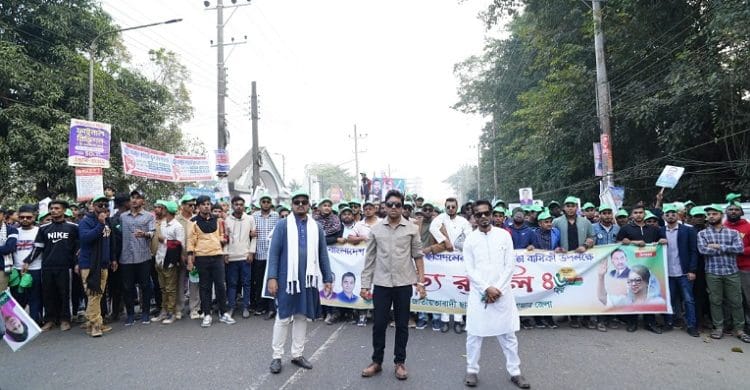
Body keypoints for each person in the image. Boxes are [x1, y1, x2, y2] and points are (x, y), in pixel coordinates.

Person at [463, 200, 530, 389]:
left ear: (492, 214)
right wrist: (486, 288)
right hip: (479, 294)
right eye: (479, 214)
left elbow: (510, 265)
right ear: (474, 218)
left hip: (502, 293)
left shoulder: (504, 235)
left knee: (508, 334)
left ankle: (515, 372)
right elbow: (470, 269)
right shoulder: (470, 239)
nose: (483, 217)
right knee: (474, 334)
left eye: (486, 213)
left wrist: (497, 289)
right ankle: (472, 370)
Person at [360, 190, 426, 381]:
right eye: (390, 204)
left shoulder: (412, 229)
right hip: (381, 284)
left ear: (402, 206)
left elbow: (418, 257)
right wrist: (365, 285)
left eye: (398, 204)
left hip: (404, 283)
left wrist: (421, 282)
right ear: (385, 207)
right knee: (379, 324)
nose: (394, 208)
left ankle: (400, 362)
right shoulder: (376, 230)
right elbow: (369, 260)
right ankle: (377, 362)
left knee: (402, 325)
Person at [266, 190, 333, 374]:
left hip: (307, 280)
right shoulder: (282, 226)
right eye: (297, 202)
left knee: (302, 316)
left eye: (304, 202)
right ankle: (277, 357)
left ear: (309, 205)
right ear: (292, 205)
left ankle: (297, 354)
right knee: (283, 317)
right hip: (286, 279)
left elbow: (322, 254)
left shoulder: (316, 227)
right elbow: (274, 254)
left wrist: (328, 278)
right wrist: (272, 277)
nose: (301, 204)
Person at [697, 204, 750, 342]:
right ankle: (718, 327)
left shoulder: (732, 233)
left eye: (714, 214)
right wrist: (727, 249)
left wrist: (718, 246)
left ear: (721, 215)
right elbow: (703, 250)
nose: (711, 216)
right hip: (712, 272)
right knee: (715, 301)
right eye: (709, 215)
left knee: (736, 301)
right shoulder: (702, 234)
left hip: (731, 272)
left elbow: (739, 249)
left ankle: (739, 329)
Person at [24, 199, 79, 331]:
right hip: (47, 266)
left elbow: (77, 249)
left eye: (57, 208)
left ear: (64, 210)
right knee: (48, 294)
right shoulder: (43, 228)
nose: (53, 211)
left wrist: (77, 264)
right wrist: (27, 261)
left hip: (66, 267)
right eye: (52, 208)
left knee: (65, 294)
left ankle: (65, 319)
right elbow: (38, 248)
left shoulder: (73, 227)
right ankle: (49, 320)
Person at [616, 203, 667, 333]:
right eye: (636, 212)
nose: (638, 215)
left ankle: (649, 322)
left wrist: (663, 241)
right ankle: (632, 322)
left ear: (644, 214)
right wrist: (631, 242)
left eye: (641, 212)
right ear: (632, 215)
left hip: (651, 266)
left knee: (649, 293)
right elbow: (617, 244)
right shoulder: (626, 229)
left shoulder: (654, 229)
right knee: (632, 293)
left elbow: (662, 242)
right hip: (632, 267)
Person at [187, 195, 234, 328]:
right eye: (203, 204)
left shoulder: (218, 220)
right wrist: (190, 260)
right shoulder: (193, 222)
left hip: (217, 256)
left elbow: (222, 236)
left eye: (208, 204)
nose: (206, 206)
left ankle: (223, 313)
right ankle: (207, 314)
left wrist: (223, 240)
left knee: (220, 286)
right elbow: (191, 242)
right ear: (198, 207)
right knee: (205, 287)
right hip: (202, 257)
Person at [552, 196, 595, 329]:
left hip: (582, 260)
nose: (570, 208)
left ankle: (586, 318)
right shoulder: (557, 222)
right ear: (564, 208)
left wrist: (586, 245)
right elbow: (552, 238)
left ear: (577, 207)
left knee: (585, 287)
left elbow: (592, 237)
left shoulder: (585, 222)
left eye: (573, 205)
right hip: (564, 261)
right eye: (568, 206)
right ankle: (574, 317)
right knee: (569, 288)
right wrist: (557, 248)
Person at [429, 197, 471, 333]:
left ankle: (458, 320)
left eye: (453, 206)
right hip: (444, 257)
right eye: (448, 207)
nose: (451, 209)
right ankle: (445, 320)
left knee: (458, 288)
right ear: (445, 207)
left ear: (457, 207)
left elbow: (469, 235)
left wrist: (459, 246)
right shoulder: (440, 218)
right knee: (445, 287)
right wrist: (444, 240)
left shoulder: (463, 221)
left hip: (459, 257)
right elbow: (432, 228)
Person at [77, 195, 115, 337]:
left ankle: (91, 321)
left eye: (106, 205)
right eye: (100, 205)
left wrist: (112, 259)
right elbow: (86, 239)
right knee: (93, 295)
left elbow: (109, 242)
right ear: (93, 206)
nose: (103, 208)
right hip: (89, 265)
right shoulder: (85, 222)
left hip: (104, 264)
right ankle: (95, 325)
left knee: (97, 296)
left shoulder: (107, 222)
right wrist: (99, 224)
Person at [660, 204, 699, 337]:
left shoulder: (688, 230)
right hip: (667, 273)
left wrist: (692, 270)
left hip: (684, 272)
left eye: (673, 213)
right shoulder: (660, 231)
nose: (670, 216)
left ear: (678, 215)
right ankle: (668, 323)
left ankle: (691, 325)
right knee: (668, 299)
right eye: (667, 214)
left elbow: (694, 251)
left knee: (688, 300)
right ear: (663, 216)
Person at [119, 190, 156, 326]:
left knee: (145, 286)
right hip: (126, 257)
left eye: (137, 198)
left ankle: (145, 312)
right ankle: (130, 315)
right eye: (132, 198)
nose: (134, 200)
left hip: (143, 256)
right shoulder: (123, 217)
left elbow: (152, 233)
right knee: (127, 287)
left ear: (143, 201)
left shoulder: (148, 216)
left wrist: (145, 234)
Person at [151, 200, 184, 325]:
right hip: (159, 259)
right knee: (163, 288)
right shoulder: (163, 224)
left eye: (162, 208)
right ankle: (164, 311)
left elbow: (180, 245)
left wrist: (164, 240)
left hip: (169, 261)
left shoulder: (177, 226)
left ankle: (172, 313)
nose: (160, 209)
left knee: (171, 289)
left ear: (167, 210)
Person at [225, 196, 256, 319]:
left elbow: (254, 237)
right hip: (232, 257)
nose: (239, 206)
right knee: (232, 283)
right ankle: (231, 307)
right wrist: (225, 253)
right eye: (236, 204)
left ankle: (245, 307)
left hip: (245, 256)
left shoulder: (250, 219)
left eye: (241, 204)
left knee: (246, 283)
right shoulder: (227, 220)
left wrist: (251, 252)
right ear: (232, 205)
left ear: (244, 206)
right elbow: (225, 239)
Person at [252, 193, 281, 319]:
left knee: (271, 281)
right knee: (259, 282)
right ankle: (260, 306)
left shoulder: (276, 216)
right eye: (263, 201)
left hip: (271, 255)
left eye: (268, 201)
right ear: (260, 203)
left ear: (271, 203)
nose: (265, 204)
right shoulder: (253, 216)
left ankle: (271, 308)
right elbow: (251, 232)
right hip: (258, 254)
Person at [12, 205, 41, 324]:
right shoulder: (14, 232)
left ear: (34, 217)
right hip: (17, 270)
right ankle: (18, 324)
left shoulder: (39, 231)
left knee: (35, 297)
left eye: (28, 217)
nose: (25, 219)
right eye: (22, 217)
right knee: (17, 298)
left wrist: (28, 262)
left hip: (35, 269)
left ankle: (35, 322)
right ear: (18, 217)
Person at [723, 202, 750, 328]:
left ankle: (748, 324)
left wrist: (739, 250)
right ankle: (732, 323)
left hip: (745, 268)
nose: (733, 212)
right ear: (726, 212)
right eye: (730, 209)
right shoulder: (723, 227)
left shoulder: (748, 227)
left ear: (741, 212)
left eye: (736, 209)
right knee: (729, 299)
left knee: (747, 297)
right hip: (727, 268)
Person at [175, 194, 199, 320]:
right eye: (189, 205)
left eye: (193, 205)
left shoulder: (196, 219)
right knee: (179, 283)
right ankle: (178, 308)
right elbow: (174, 240)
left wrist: (194, 255)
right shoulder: (176, 220)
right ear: (183, 205)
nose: (192, 207)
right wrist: (180, 255)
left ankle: (194, 309)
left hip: (194, 256)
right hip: (180, 256)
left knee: (194, 283)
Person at [598, 264, 665, 306]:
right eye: (630, 281)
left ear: (647, 282)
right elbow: (603, 298)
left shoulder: (657, 302)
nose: (633, 284)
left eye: (638, 280)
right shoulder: (626, 300)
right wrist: (601, 276)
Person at [0, 207, 19, 293]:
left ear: (4, 216)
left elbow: (9, 248)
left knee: (1, 295)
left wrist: (4, 248)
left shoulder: (12, 230)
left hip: (2, 268)